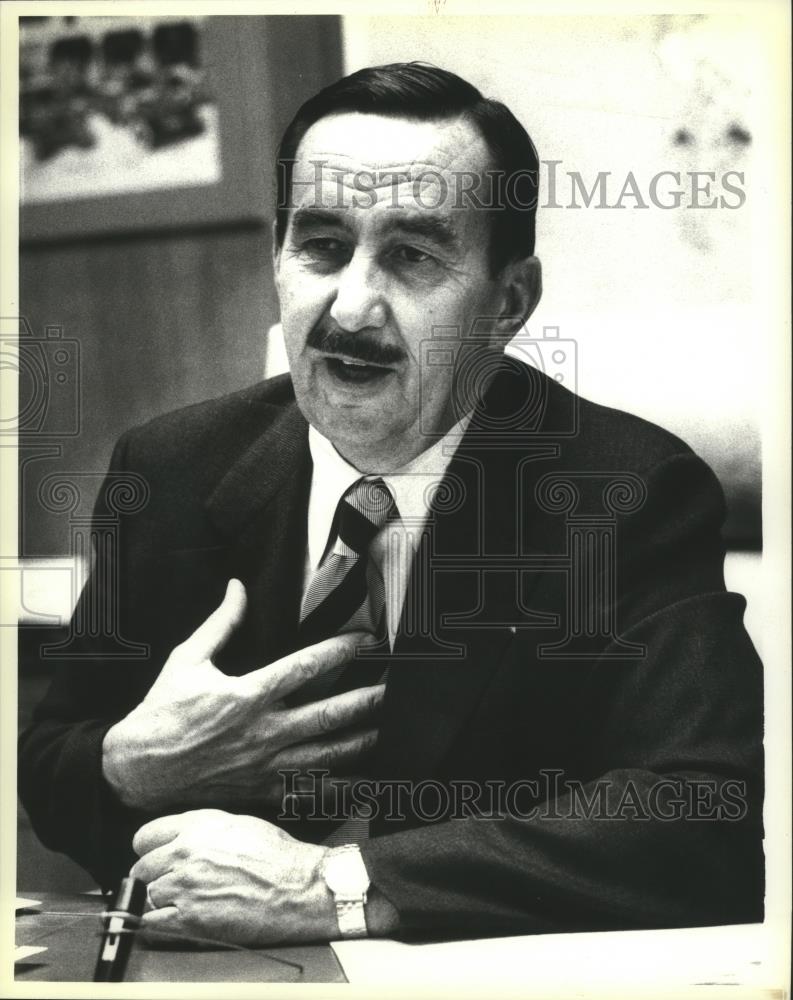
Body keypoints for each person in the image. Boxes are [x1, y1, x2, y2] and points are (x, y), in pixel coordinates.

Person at [18, 63, 764, 948]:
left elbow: (698, 817)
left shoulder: (625, 492)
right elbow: (51, 761)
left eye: (412, 256)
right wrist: (132, 765)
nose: (352, 306)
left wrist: (331, 885)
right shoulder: (169, 468)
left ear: (508, 302)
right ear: (279, 258)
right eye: (322, 245)